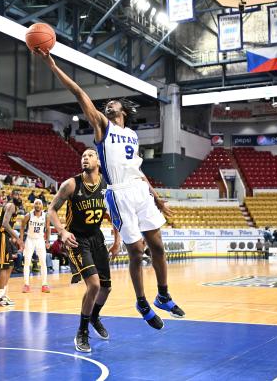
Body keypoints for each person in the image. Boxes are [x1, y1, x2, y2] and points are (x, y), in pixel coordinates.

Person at [39, 49, 184, 329]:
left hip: (139, 191)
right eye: (107, 104)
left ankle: (163, 295)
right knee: (136, 251)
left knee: (158, 247)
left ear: (124, 111)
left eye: (114, 104)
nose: (109, 106)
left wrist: (158, 198)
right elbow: (80, 93)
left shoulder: (132, 135)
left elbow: (138, 171)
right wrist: (53, 65)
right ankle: (141, 301)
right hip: (118, 194)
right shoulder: (103, 127)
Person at [48, 148, 120, 352]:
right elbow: (51, 209)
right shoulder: (71, 184)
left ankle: (94, 317)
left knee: (106, 287)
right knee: (94, 286)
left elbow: (114, 214)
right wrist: (61, 231)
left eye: (89, 155)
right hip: (76, 239)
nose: (85, 158)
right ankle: (82, 331)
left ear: (98, 161)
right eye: (83, 156)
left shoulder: (106, 186)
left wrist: (117, 241)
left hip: (97, 237)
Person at [0, 200, 21, 306]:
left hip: (5, 236)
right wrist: (17, 238)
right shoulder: (11, 206)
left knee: (10, 265)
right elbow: (5, 224)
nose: (18, 196)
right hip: (0, 235)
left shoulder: (15, 208)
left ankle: (3, 294)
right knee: (4, 266)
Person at [20, 199, 51, 293]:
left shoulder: (46, 216)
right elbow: (21, 226)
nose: (37, 205)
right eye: (36, 203)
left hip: (40, 239)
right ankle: (26, 285)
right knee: (27, 262)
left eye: (39, 203)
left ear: (42, 206)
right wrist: (21, 240)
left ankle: (44, 285)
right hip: (29, 239)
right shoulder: (28, 215)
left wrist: (47, 241)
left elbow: (48, 228)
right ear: (34, 205)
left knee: (43, 262)